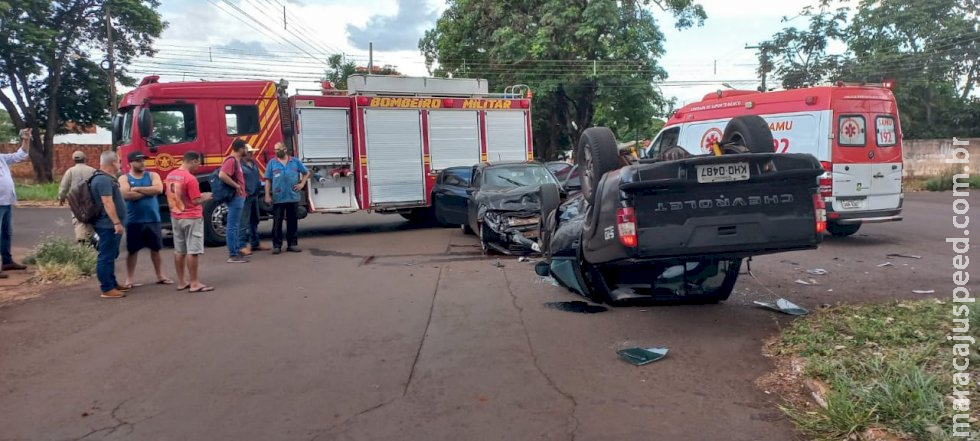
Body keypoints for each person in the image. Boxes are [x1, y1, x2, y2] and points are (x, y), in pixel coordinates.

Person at [119, 151, 172, 288]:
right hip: (133, 220)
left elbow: (159, 189)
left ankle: (160, 275)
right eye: (138, 161)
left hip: (152, 219)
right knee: (132, 250)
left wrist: (137, 188)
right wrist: (148, 191)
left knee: (156, 249)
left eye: (143, 160)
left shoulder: (153, 175)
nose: (142, 163)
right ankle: (129, 279)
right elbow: (126, 194)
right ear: (130, 163)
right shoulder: (124, 178)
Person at [165, 151, 214, 292]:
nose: (198, 166)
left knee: (179, 250)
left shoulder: (171, 175)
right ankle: (194, 283)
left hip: (176, 215)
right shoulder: (190, 179)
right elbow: (195, 200)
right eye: (198, 162)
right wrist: (205, 196)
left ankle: (181, 281)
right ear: (192, 161)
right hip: (191, 217)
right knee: (193, 250)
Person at [91, 151, 128, 299]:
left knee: (111, 254)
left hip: (109, 224)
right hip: (107, 224)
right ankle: (106, 288)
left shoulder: (104, 178)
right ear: (113, 163)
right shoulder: (103, 180)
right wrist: (116, 222)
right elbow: (107, 202)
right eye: (118, 161)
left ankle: (112, 283)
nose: (120, 164)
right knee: (106, 256)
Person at [264, 142, 309, 254]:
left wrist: (302, 184)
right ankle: (277, 246)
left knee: (292, 222)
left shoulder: (295, 161)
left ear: (284, 149)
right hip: (278, 198)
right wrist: (267, 195)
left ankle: (292, 244)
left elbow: (306, 173)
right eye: (274, 149)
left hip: (292, 196)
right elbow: (268, 180)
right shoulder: (272, 163)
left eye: (277, 149)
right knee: (277, 223)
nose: (275, 152)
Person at [0, 128, 32, 279]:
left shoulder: (2, 158)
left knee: (6, 233)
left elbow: (21, 155)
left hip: (6, 202)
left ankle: (7, 261)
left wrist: (26, 139)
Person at [58, 150, 97, 245]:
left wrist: (61, 197)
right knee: (90, 218)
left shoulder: (70, 171)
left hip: (75, 200)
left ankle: (81, 239)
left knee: (78, 218)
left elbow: (64, 186)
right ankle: (90, 236)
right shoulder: (92, 170)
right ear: (85, 159)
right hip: (90, 199)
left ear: (73, 160)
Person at [219, 139, 249, 263]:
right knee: (232, 226)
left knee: (235, 225)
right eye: (246, 148)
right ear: (241, 148)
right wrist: (236, 186)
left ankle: (236, 251)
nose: (247, 150)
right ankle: (233, 254)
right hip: (236, 197)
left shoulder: (236, 161)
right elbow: (222, 175)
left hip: (238, 197)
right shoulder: (231, 160)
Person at [238, 145, 265, 256]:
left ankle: (255, 243)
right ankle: (242, 246)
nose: (251, 154)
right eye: (249, 152)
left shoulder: (253, 164)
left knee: (254, 220)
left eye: (251, 152)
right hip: (245, 197)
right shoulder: (239, 165)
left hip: (254, 196)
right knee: (243, 222)